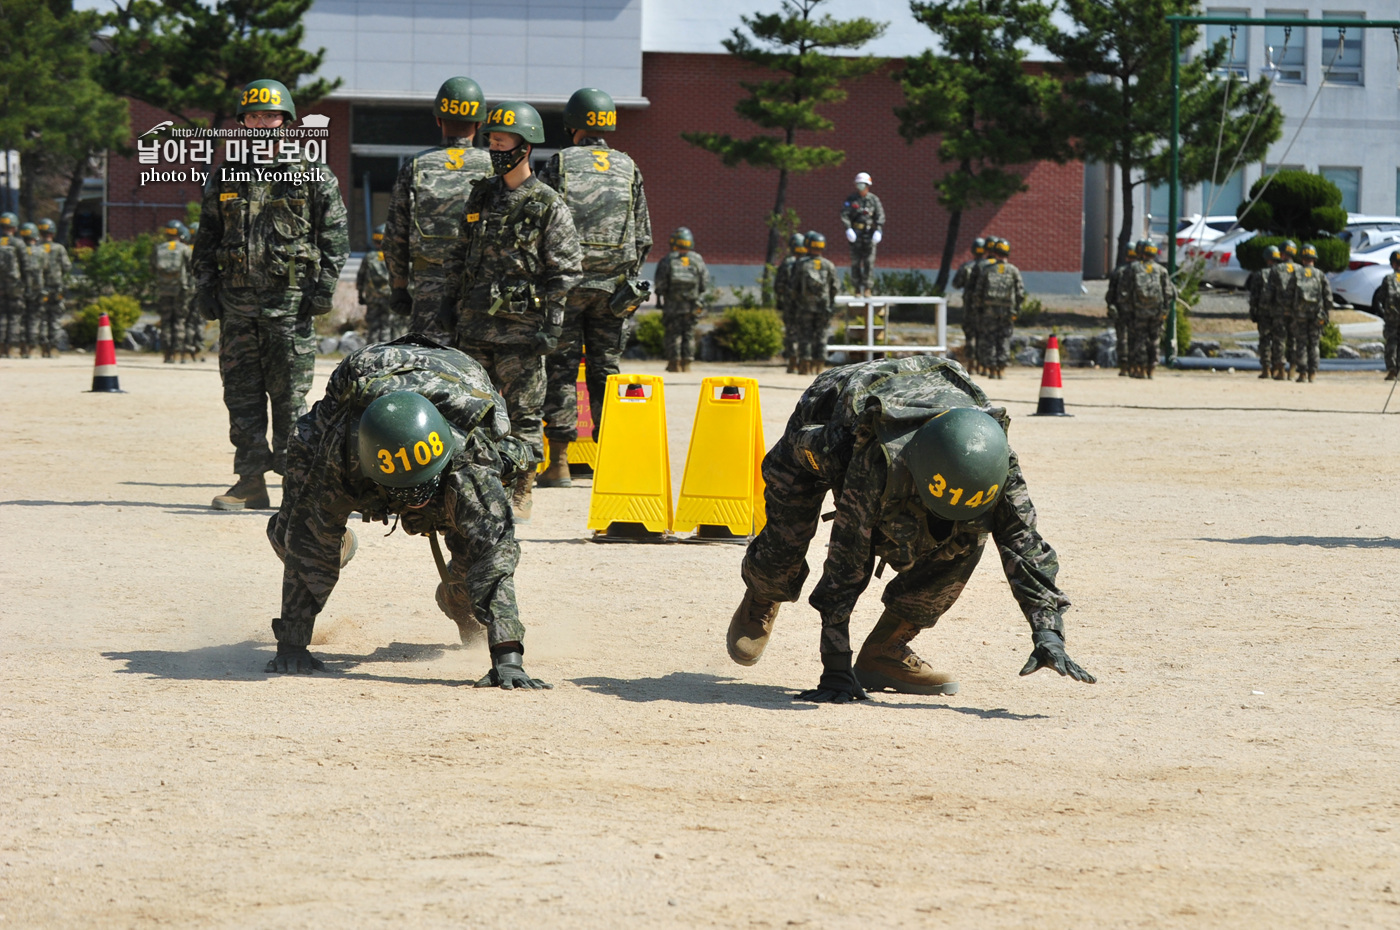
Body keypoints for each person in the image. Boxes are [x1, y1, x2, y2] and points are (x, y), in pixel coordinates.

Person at [726, 355, 1095, 702]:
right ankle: (764, 592)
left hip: (930, 412)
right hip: (826, 423)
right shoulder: (878, 457)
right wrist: (834, 665)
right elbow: (847, 557)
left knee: (968, 537)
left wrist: (1047, 629)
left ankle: (884, 651)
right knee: (786, 540)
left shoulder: (994, 462)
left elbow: (1024, 543)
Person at [264, 335, 550, 689]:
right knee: (291, 531)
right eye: (404, 490)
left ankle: (456, 597)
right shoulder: (339, 451)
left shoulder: (471, 459)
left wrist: (508, 657)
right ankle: (341, 545)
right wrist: (292, 643)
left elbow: (492, 553)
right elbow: (309, 540)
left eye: (420, 487)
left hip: (457, 381)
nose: (413, 499)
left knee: (470, 563)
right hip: (359, 391)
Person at [192, 79, 350, 511]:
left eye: (271, 115)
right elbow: (207, 238)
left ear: (286, 121)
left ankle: (295, 485)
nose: (262, 123)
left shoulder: (312, 174)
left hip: (289, 307)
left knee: (290, 400)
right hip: (237, 309)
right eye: (254, 116)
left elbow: (335, 237)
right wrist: (205, 287)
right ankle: (249, 482)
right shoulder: (226, 175)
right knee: (240, 397)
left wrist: (323, 291)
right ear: (243, 123)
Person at [440, 101, 583, 524]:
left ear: (526, 147)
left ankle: (522, 489)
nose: (494, 149)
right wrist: (449, 303)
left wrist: (552, 326)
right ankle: (470, 488)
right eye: (492, 142)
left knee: (523, 416)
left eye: (502, 142)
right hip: (475, 326)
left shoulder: (546, 203)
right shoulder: (479, 194)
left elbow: (566, 271)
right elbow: (459, 252)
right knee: (467, 413)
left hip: (522, 333)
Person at [537, 87, 653, 488]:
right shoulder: (628, 167)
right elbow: (643, 236)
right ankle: (610, 460)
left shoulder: (559, 164)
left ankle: (561, 463)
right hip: (614, 291)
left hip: (568, 287)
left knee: (562, 370)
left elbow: (544, 223)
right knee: (607, 370)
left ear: (572, 125)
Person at [385, 77, 493, 342]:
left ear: (438, 120)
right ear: (480, 123)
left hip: (428, 285)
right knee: (477, 364)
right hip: (480, 284)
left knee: (430, 364)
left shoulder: (416, 166)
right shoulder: (495, 167)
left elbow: (395, 234)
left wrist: (398, 286)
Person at [652, 227, 709, 372]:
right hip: (691, 304)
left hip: (672, 305)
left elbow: (660, 283)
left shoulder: (668, 259)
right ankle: (687, 363)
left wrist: (663, 295)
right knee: (689, 333)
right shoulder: (697, 259)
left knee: (673, 333)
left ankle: (673, 363)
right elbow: (704, 283)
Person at [1119, 240, 1174, 379]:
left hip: (1138, 311)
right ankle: (1152, 368)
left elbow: (1124, 291)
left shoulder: (1133, 268)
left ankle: (1140, 368)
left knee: (1140, 339)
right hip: (1156, 312)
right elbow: (1168, 293)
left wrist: (1127, 309)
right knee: (1155, 339)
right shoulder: (1162, 270)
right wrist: (1164, 311)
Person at [973, 238, 1024, 379]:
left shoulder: (987, 270)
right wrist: (1016, 311)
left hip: (989, 312)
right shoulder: (1014, 271)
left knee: (989, 339)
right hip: (1007, 312)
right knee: (1004, 339)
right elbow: (1020, 293)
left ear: (994, 253)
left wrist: (979, 309)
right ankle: (1001, 369)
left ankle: (991, 368)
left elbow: (978, 292)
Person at [791, 230, 839, 375]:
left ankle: (804, 367)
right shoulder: (829, 265)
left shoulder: (800, 264)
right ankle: (819, 368)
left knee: (805, 336)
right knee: (821, 336)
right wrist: (830, 304)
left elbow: (793, 287)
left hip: (805, 307)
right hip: (823, 308)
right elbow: (835, 287)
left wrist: (797, 302)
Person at [1284, 243, 1332, 383]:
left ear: (1302, 259)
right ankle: (1313, 373)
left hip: (1300, 315)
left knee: (1301, 344)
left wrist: (1289, 310)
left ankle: (1303, 373)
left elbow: (1289, 293)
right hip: (1316, 315)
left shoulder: (1297, 273)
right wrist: (1325, 311)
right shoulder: (1320, 275)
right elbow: (1328, 297)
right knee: (1314, 344)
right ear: (1314, 259)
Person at [152, 219, 194, 363]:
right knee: (180, 320)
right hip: (180, 290)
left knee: (166, 321)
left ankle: (167, 353)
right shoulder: (184, 249)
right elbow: (191, 268)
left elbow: (153, 268)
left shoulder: (159, 248)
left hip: (164, 289)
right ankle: (178, 352)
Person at [841, 172, 885, 297]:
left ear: (868, 185)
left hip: (869, 234)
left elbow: (880, 215)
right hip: (855, 234)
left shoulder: (874, 200)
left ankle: (867, 288)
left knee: (869, 262)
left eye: (863, 184)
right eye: (859, 184)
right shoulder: (851, 199)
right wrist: (848, 229)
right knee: (855, 262)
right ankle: (856, 288)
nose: (861, 187)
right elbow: (845, 214)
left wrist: (879, 230)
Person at [1261, 240, 1300, 380]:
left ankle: (1280, 370)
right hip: (1297, 311)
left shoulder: (1275, 270)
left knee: (1279, 340)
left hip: (1279, 311)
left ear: (1282, 254)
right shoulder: (1300, 269)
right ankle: (1293, 369)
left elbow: (1268, 292)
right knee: (1294, 340)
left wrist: (1264, 308)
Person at [357, 224, 399, 344]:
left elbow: (361, 277)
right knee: (387, 325)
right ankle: (385, 352)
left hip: (373, 297)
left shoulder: (369, 257)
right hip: (390, 297)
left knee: (373, 326)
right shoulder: (394, 257)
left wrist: (360, 295)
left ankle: (371, 352)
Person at [35, 218, 70, 358]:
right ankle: (53, 348)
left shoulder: (36, 249)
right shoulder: (59, 248)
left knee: (42, 318)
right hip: (56, 288)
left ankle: (43, 346)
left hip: (40, 288)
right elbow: (67, 266)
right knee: (55, 318)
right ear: (53, 233)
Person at [952, 237, 987, 373]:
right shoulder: (989, 267)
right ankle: (982, 365)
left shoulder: (967, 267)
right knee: (983, 335)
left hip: (969, 306)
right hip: (984, 308)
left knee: (970, 335)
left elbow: (956, 284)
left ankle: (971, 365)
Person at [1246, 245, 1281, 379]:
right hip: (1279, 312)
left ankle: (1266, 368)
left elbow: (1254, 296)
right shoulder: (1282, 273)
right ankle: (1278, 368)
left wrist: (1253, 311)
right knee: (1278, 340)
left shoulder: (1259, 274)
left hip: (1264, 312)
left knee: (1265, 340)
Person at [775, 232, 806, 374]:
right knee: (805, 333)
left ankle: (792, 362)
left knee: (791, 333)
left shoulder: (787, 262)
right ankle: (804, 362)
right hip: (805, 305)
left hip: (790, 304)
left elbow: (779, 285)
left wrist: (781, 299)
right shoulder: (807, 262)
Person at [1105, 241, 1137, 376]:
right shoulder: (1140, 271)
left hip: (1121, 311)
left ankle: (1124, 367)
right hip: (1137, 311)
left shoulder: (1118, 271)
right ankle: (1136, 366)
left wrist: (1111, 306)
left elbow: (1110, 294)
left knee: (1122, 339)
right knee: (1136, 338)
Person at [1373, 250, 1400, 381]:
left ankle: (1392, 371)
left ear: (1393, 264)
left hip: (1391, 318)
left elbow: (1379, 298)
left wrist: (1384, 314)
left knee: (1391, 343)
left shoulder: (1388, 279)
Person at [0, 213, 24, 358]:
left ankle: (1, 347)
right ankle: (13, 348)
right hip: (15, 285)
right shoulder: (18, 244)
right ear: (14, 228)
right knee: (15, 315)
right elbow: (26, 266)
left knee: (1, 314)